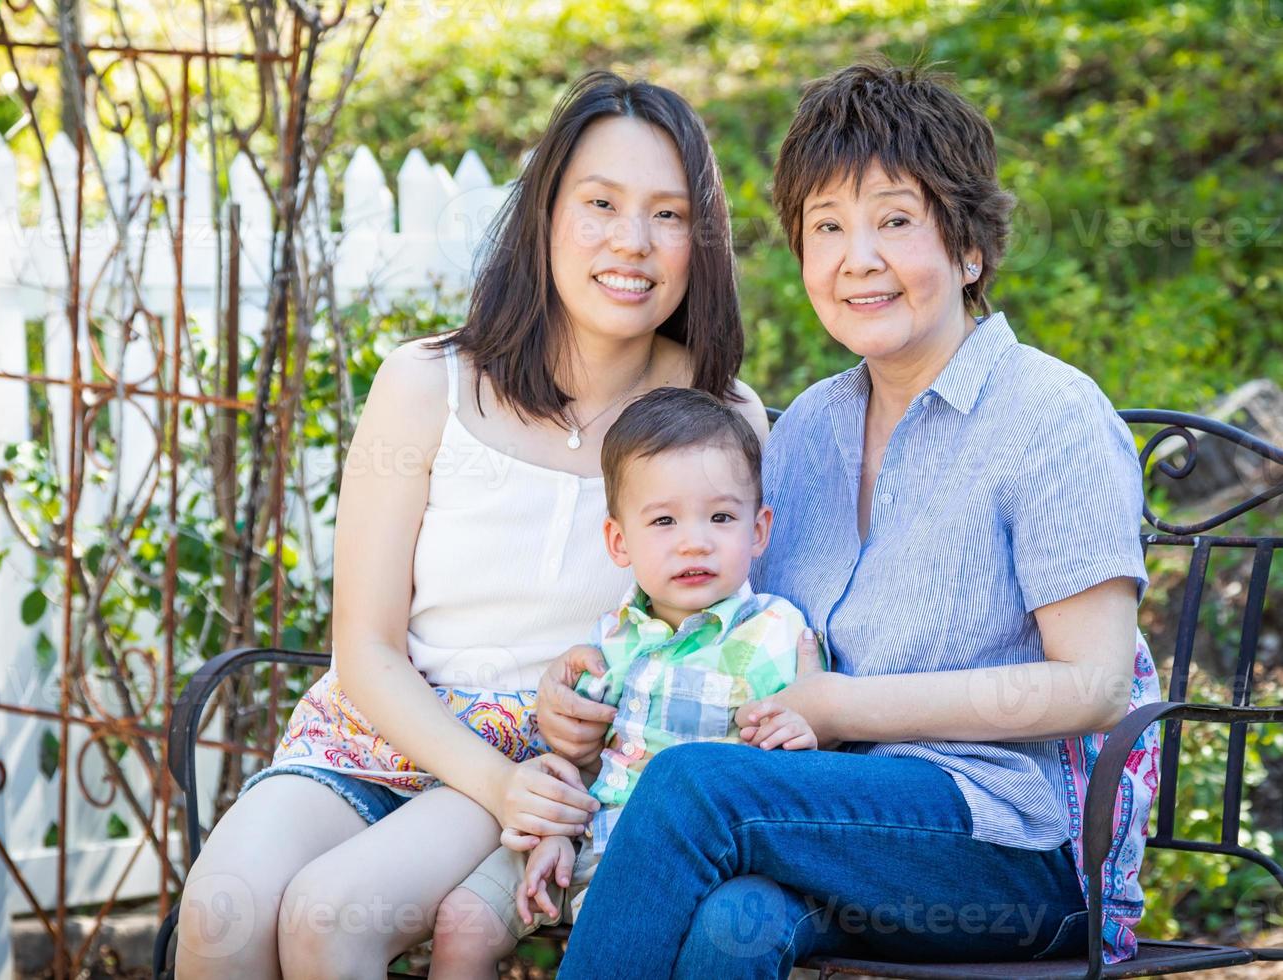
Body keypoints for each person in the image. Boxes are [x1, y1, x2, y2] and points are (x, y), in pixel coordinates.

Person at [537, 62, 1161, 979]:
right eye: (827, 226)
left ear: (970, 247)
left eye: (895, 221)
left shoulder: (1049, 418)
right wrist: (598, 676)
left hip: (1016, 851)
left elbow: (1098, 687)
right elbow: (735, 629)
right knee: (734, 925)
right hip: (831, 824)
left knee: (692, 789)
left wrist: (835, 706)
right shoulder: (805, 433)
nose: (856, 259)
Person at [173, 70, 769, 980]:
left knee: (329, 920)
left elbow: (721, 641)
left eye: (669, 215)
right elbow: (363, 648)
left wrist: (520, 777)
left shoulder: (720, 415)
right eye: (599, 204)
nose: (632, 243)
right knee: (220, 917)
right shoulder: (428, 384)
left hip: (545, 755)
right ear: (544, 215)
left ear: (702, 239)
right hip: (374, 732)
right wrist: (488, 779)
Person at [430, 387, 825, 978]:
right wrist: (553, 837)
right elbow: (580, 759)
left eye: (721, 517)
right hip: (584, 833)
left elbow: (800, 770)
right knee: (462, 922)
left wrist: (806, 728)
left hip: (680, 866)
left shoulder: (775, 634)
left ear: (759, 529)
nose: (695, 540)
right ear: (619, 541)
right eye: (664, 520)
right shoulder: (611, 637)